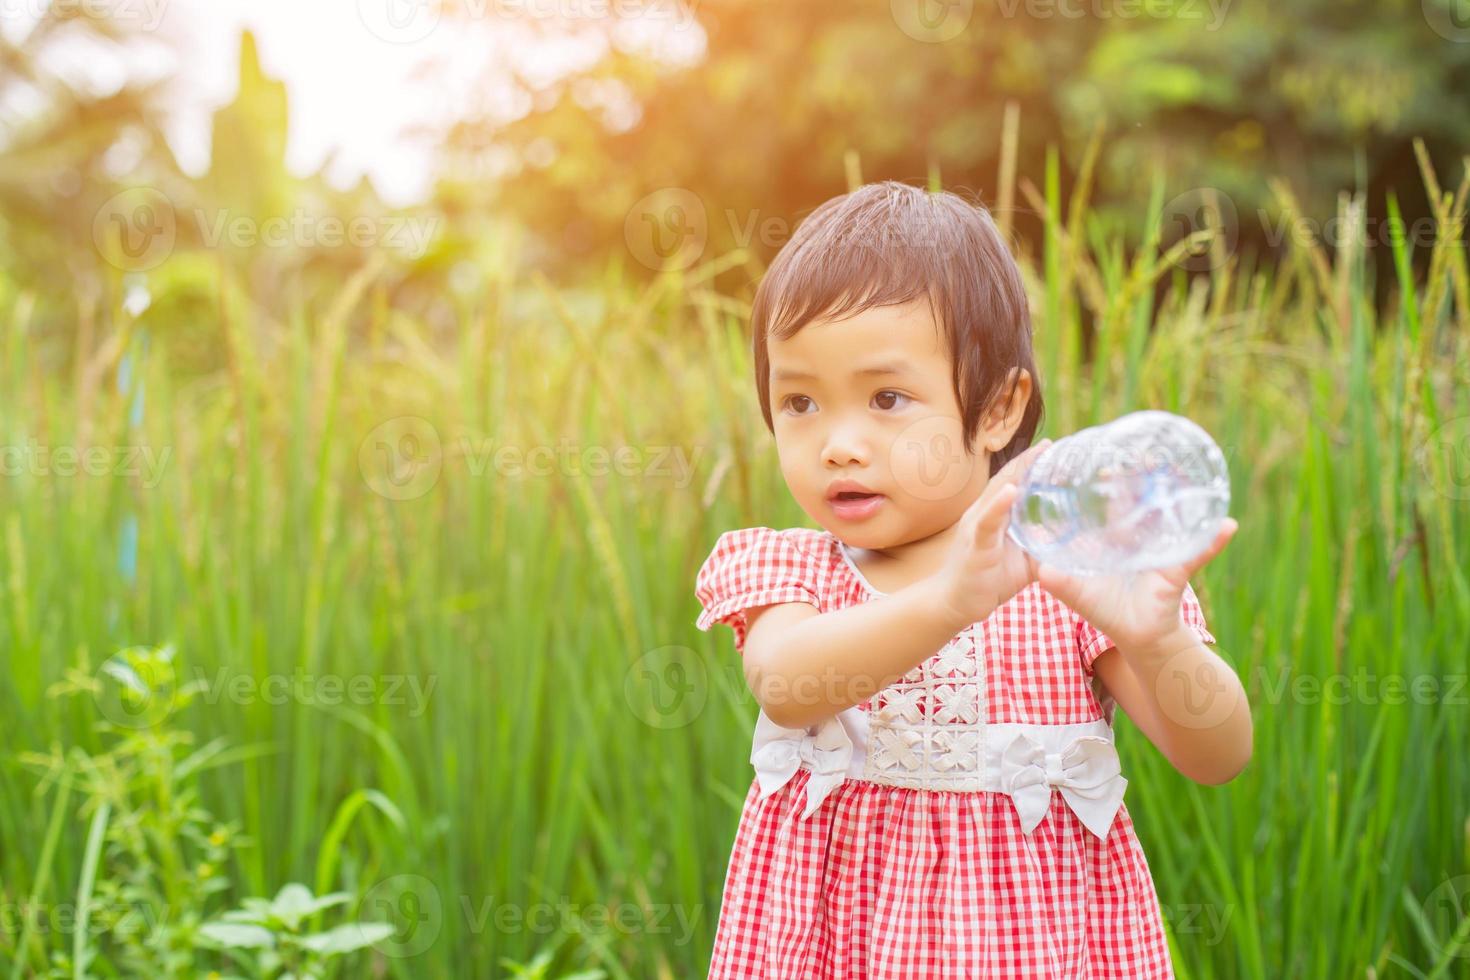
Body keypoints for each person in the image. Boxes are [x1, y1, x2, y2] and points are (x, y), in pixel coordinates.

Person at [693, 180, 1251, 978]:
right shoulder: (795, 569)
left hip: (1027, 949)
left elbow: (1217, 755)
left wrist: (1158, 642)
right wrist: (951, 599)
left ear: (995, 408)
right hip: (837, 950)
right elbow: (786, 683)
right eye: (800, 402)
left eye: (887, 398)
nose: (838, 444)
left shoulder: (1070, 577)